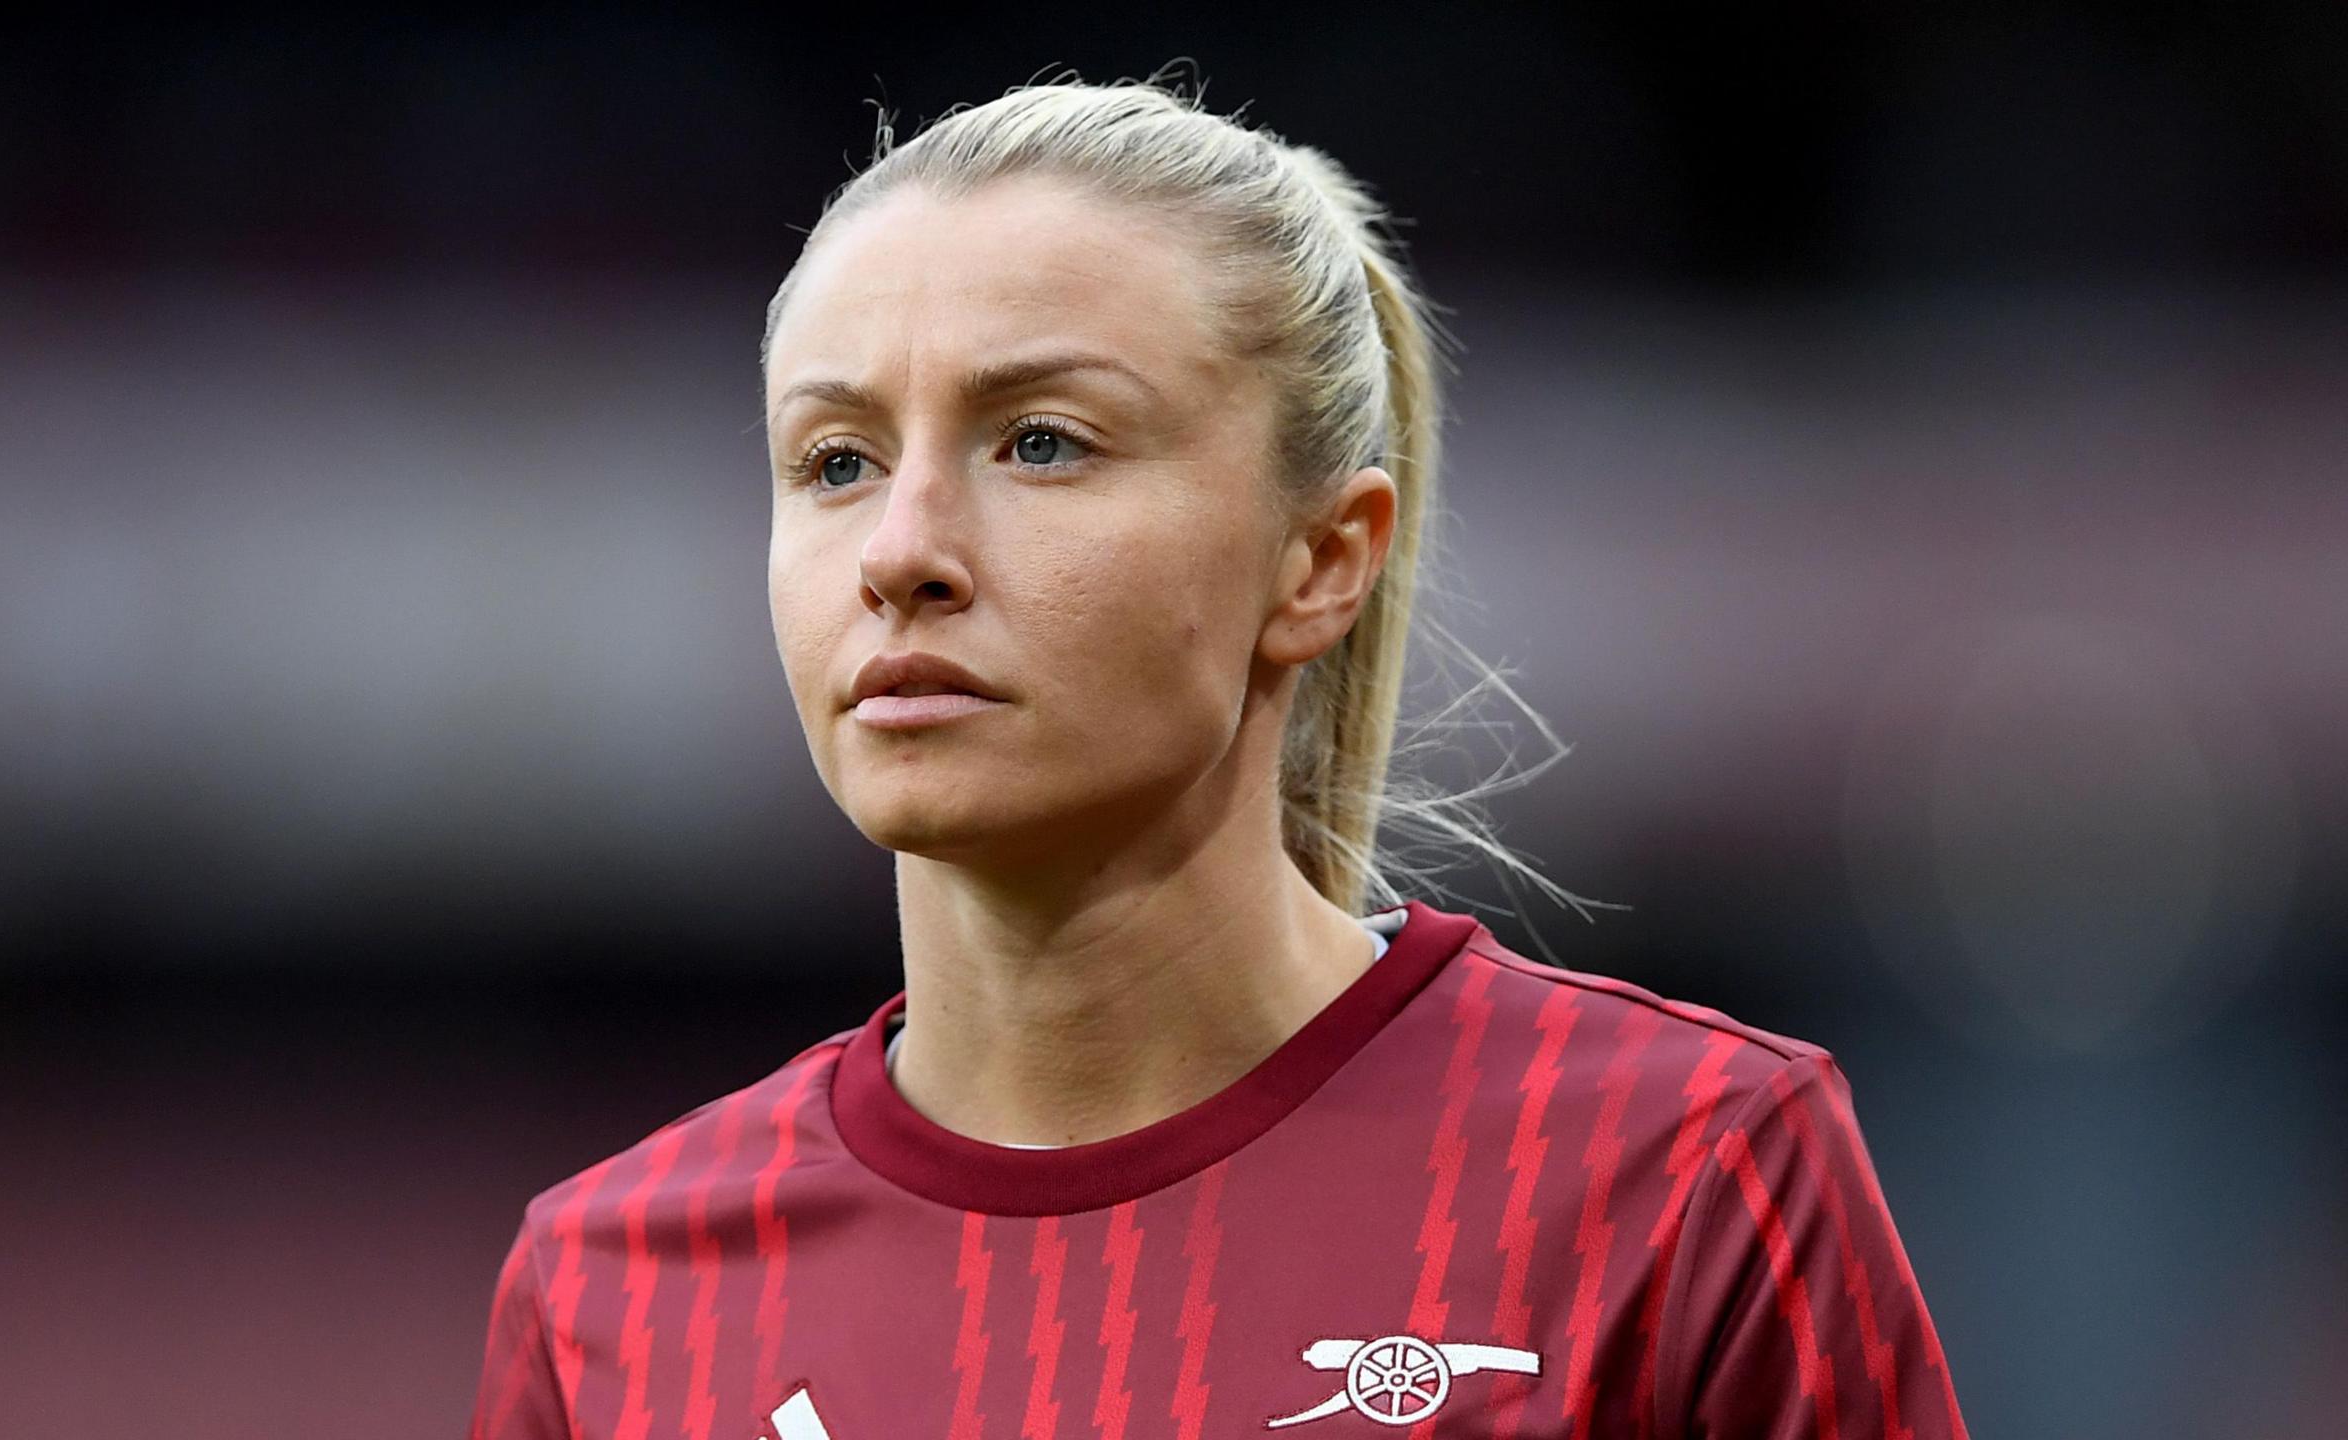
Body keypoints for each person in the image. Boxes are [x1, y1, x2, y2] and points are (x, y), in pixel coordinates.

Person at [470, 71, 1967, 1440]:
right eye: (836, 462)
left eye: (1041, 441)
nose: (901, 551)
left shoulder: (1687, 1170)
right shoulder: (612, 1297)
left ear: (1322, 560)